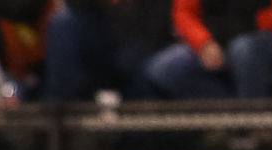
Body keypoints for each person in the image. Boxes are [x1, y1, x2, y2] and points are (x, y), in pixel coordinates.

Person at [144, 0, 272, 100]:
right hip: (216, 40)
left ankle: (255, 122)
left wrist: (254, 23)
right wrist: (203, 43)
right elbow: (184, 12)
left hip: (269, 37)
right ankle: (227, 115)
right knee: (164, 67)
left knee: (243, 48)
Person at [41, 0, 174, 100]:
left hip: (146, 45)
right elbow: (75, 5)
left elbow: (163, 23)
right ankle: (57, 120)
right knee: (62, 24)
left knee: (147, 66)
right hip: (103, 40)